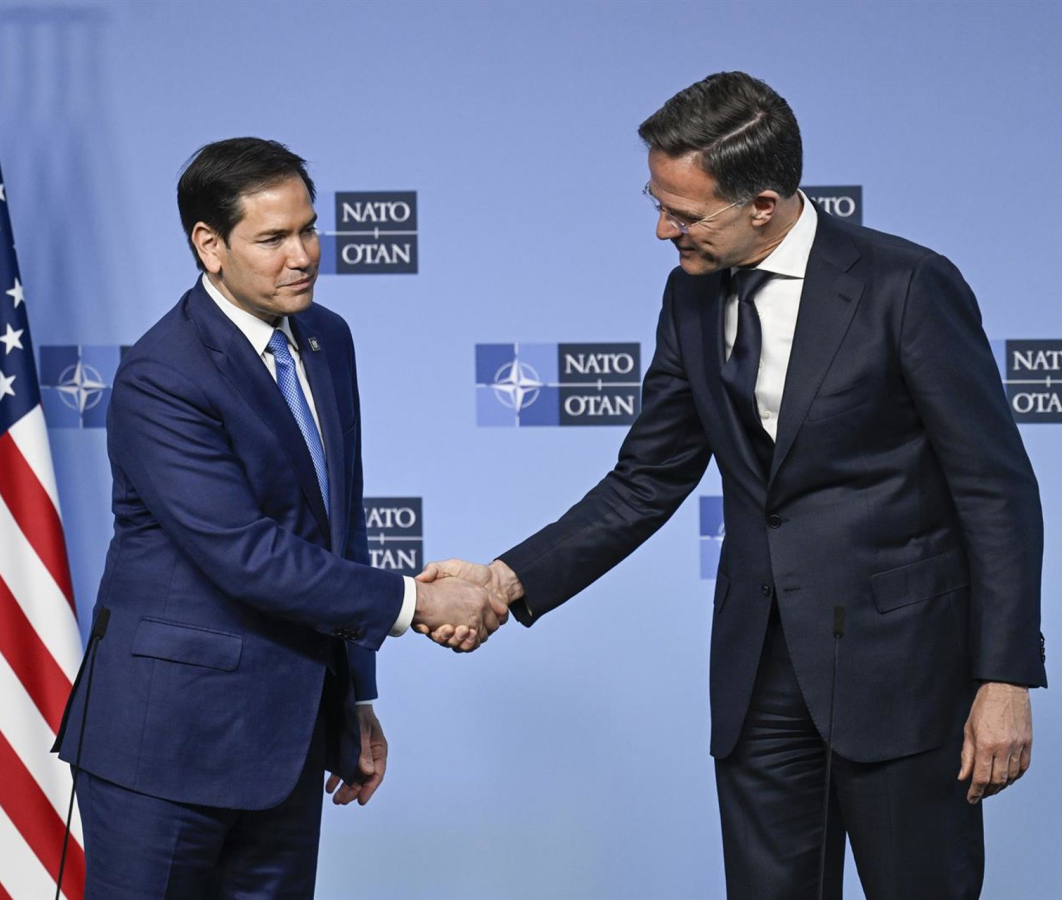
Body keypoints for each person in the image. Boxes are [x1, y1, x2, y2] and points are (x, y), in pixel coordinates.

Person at [422, 72, 1046, 899]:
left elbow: (997, 491)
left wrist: (1005, 678)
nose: (662, 229)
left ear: (763, 204)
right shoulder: (688, 296)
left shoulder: (906, 285)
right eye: (656, 203)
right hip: (759, 679)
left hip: (904, 676)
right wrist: (505, 580)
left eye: (683, 213)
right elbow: (645, 480)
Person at [53, 137, 505, 899]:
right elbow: (247, 553)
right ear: (210, 246)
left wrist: (353, 697)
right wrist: (418, 602)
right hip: (163, 746)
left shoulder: (327, 339)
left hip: (286, 738)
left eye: (309, 229)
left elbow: (340, 524)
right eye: (272, 239)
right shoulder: (163, 374)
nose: (302, 256)